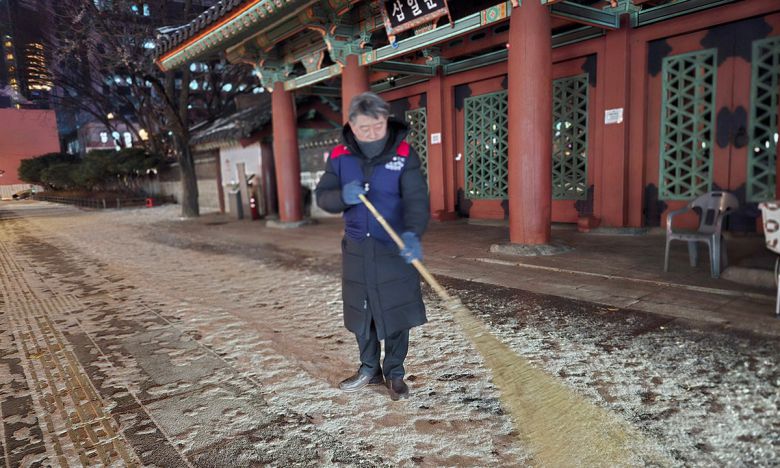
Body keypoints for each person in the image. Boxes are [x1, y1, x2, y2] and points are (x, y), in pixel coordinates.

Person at [315, 92, 430, 401]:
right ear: (352, 125)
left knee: (395, 313)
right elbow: (322, 196)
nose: (372, 133)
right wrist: (342, 196)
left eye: (377, 126)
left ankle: (394, 373)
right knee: (362, 314)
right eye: (364, 128)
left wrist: (413, 234)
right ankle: (369, 368)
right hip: (356, 249)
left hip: (392, 246)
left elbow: (417, 200)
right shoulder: (339, 156)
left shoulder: (404, 153)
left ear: (386, 120)